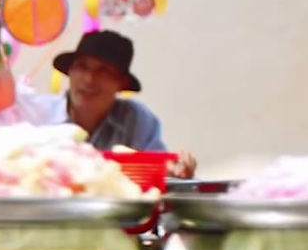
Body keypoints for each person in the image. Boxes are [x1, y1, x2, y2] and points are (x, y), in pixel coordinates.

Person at [48, 29, 197, 177]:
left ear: (121, 83)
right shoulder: (41, 114)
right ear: (70, 72)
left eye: (104, 71)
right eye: (82, 66)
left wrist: (178, 171)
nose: (89, 79)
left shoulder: (137, 119)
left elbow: (160, 170)